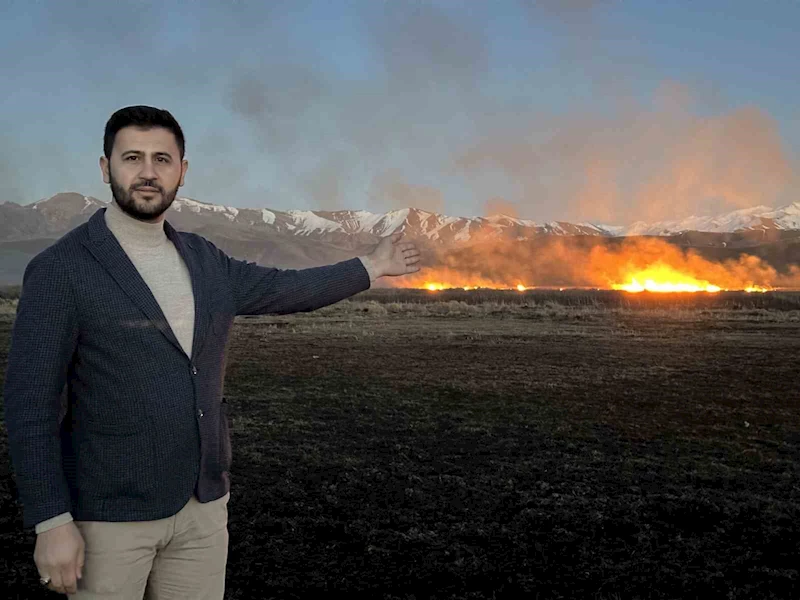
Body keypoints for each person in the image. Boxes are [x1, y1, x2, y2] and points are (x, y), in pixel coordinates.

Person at [3, 105, 421, 598]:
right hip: (109, 516)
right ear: (105, 168)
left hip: (202, 509)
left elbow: (286, 288)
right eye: (132, 157)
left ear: (183, 171)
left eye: (163, 158)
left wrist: (370, 267)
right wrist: (51, 520)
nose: (147, 172)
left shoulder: (205, 260)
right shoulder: (62, 269)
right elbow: (29, 404)